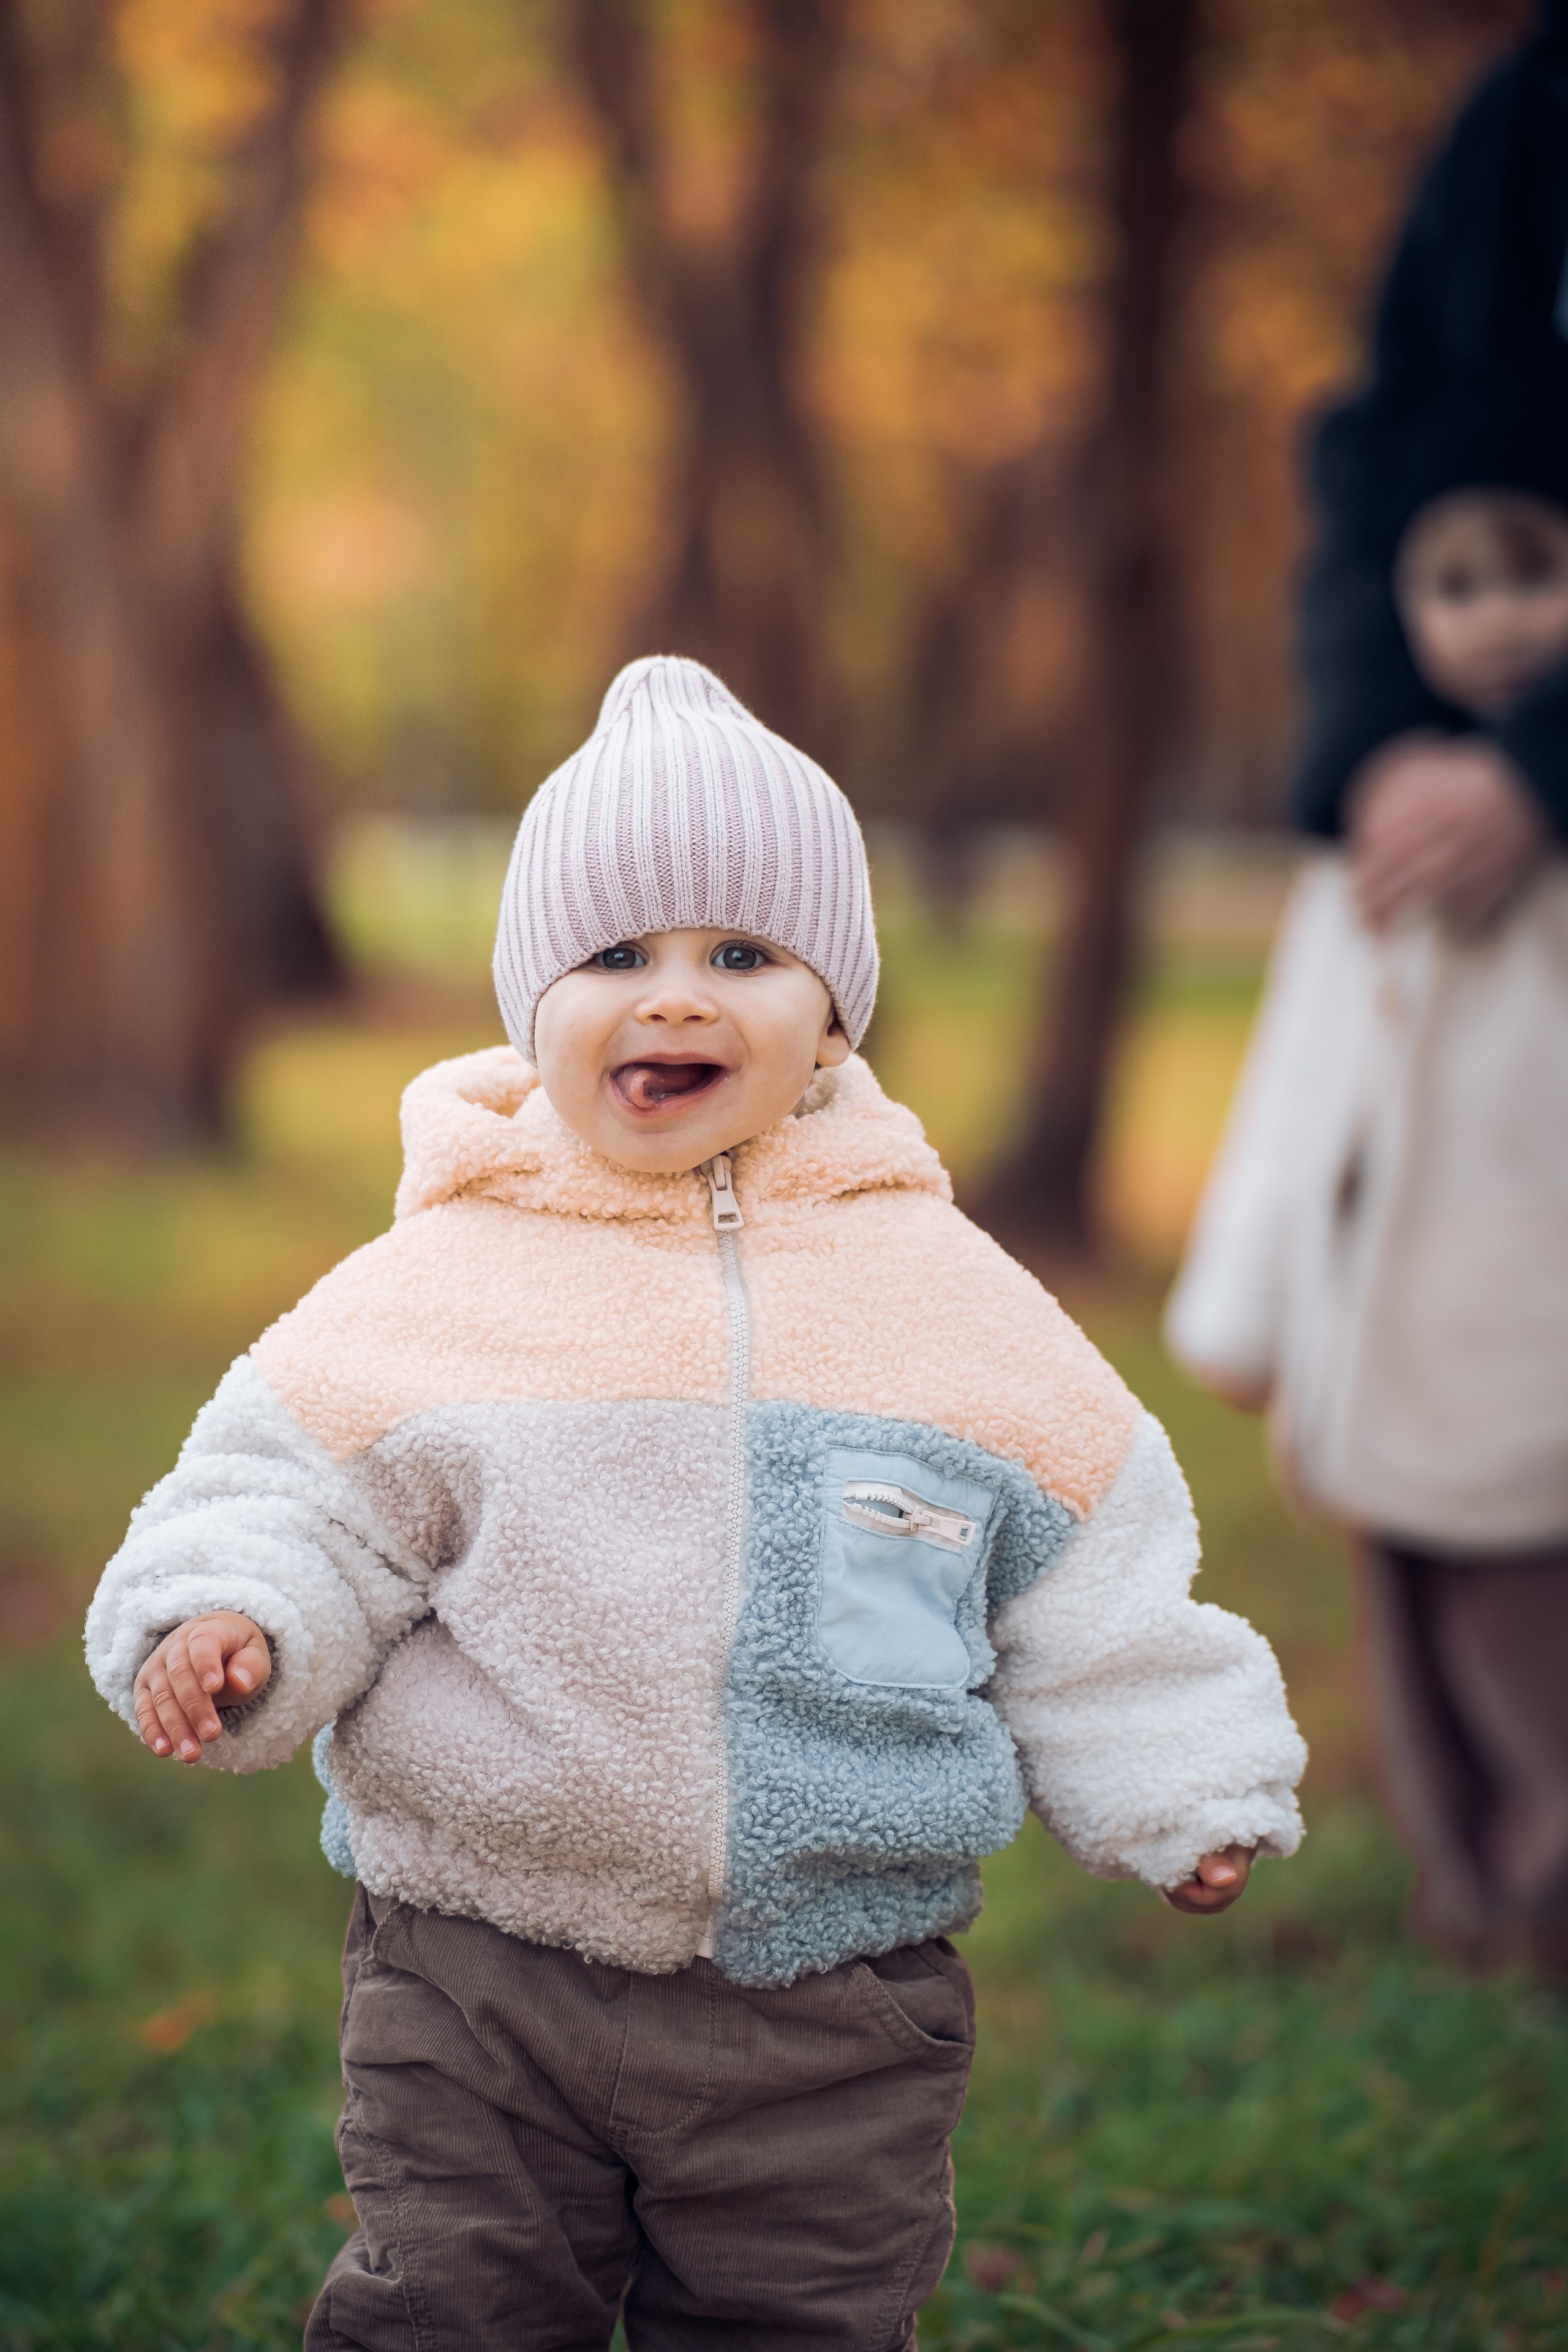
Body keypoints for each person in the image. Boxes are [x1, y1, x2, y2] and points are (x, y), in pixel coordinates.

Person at [87, 656, 1305, 2352]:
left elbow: (1096, 1562)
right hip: (480, 1966)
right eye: (616, 956)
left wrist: (1181, 1775)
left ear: (834, 1014)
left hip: (835, 2004)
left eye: (742, 955)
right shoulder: (440, 1281)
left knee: (796, 2319)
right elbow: (293, 1495)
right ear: (535, 1007)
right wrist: (233, 1618)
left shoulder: (948, 1299)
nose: (675, 998)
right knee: (457, 2310)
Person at [1167, 484, 1568, 1978]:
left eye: (1532, 575)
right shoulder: (1377, 826)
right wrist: (1245, 1301)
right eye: (1453, 585)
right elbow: (1299, 1077)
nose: (1496, 619)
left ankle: (1542, 1895)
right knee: (1410, 1623)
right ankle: (1465, 1884)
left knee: (1533, 1626)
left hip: (1532, 1326)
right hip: (1384, 1319)